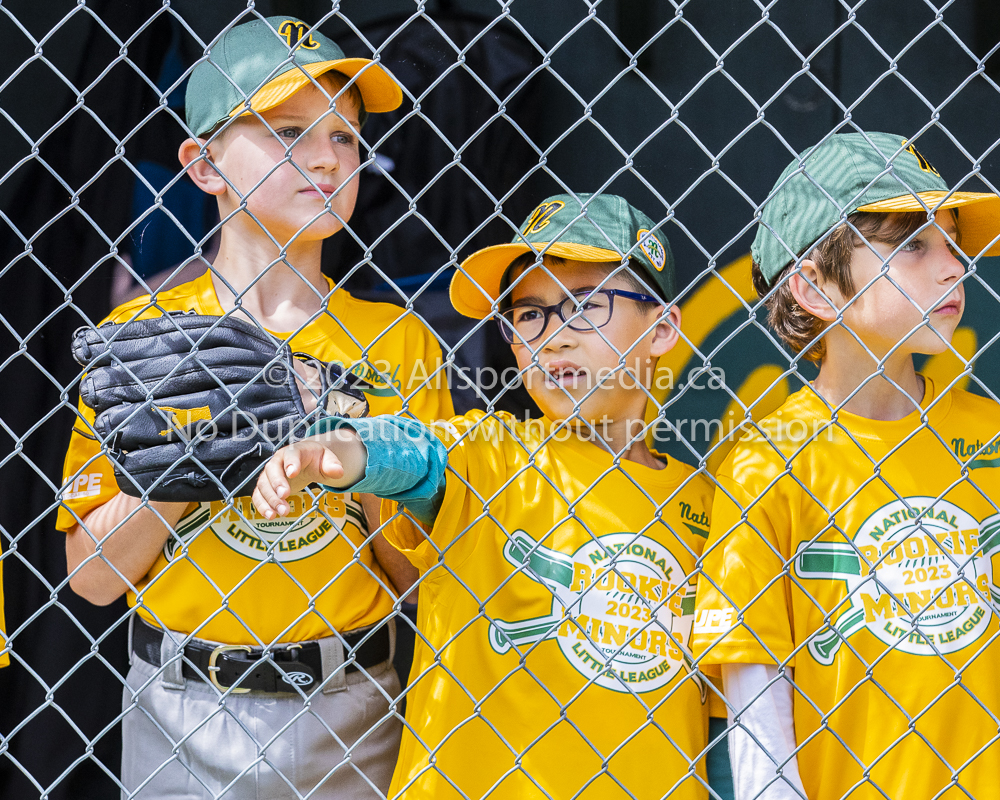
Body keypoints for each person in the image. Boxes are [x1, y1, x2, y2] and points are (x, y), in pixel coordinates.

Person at [57, 16, 453, 799]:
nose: (325, 157)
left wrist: (347, 439)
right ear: (204, 165)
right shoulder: (137, 339)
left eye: (345, 136)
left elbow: (417, 578)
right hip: (176, 706)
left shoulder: (402, 342)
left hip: (352, 700)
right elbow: (93, 581)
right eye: (287, 130)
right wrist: (192, 452)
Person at [252, 193, 733, 799]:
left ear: (662, 327)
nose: (553, 337)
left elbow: (723, 711)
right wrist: (341, 452)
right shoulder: (491, 450)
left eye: (586, 304)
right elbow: (413, 455)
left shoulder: (712, 504)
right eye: (528, 315)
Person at [691, 131, 1000, 800]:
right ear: (815, 286)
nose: (956, 268)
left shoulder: (993, 436)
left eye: (954, 244)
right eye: (914, 245)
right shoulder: (768, 462)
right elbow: (757, 712)